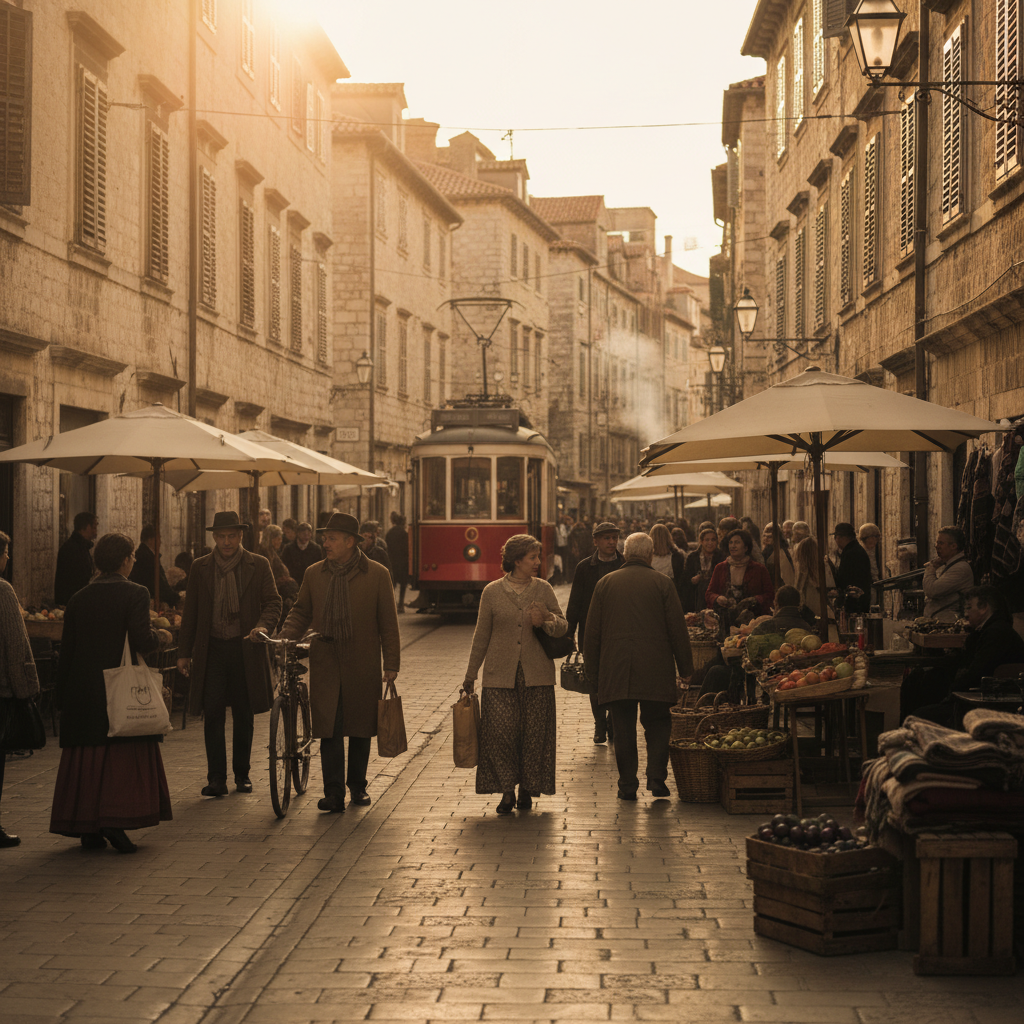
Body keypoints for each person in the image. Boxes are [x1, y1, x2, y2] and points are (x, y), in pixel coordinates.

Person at [49, 532, 173, 853]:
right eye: (132, 556)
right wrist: (162, 637)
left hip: (83, 690)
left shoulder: (78, 598)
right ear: (125, 560)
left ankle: (88, 828)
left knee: (88, 759)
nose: (133, 561)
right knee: (120, 757)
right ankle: (114, 820)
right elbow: (142, 640)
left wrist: (61, 698)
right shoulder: (136, 593)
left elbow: (68, 651)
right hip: (120, 689)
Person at [279, 512, 400, 813]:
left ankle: (357, 786)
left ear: (350, 542)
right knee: (328, 727)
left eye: (331, 538)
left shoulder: (377, 574)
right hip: (326, 660)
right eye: (325, 538)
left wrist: (391, 664)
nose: (325, 543)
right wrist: (285, 637)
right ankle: (333, 792)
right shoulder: (314, 573)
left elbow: (388, 622)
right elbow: (301, 611)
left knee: (361, 727)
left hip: (362, 659)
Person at [176, 511, 282, 797]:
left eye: (231, 536)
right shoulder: (200, 567)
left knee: (243, 712)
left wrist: (263, 626)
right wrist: (184, 652)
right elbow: (191, 612)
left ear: (241, 536)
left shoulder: (258, 564)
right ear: (214, 537)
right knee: (212, 712)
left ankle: (242, 774)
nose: (226, 542)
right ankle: (216, 778)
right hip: (212, 649)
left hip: (244, 647)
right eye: (221, 536)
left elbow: (273, 602)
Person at [463, 535, 567, 815]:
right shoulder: (492, 592)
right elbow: (481, 636)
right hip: (499, 676)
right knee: (500, 735)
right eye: (533, 557)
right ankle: (507, 790)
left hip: (537, 676)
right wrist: (471, 674)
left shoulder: (543, 588)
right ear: (517, 560)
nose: (537, 562)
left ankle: (527, 790)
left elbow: (563, 626)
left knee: (534, 736)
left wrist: (546, 619)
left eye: (537, 557)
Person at [584, 531, 693, 801]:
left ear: (626, 553)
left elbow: (592, 633)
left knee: (622, 728)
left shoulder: (605, 583)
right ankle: (656, 778)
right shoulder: (663, 583)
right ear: (650, 555)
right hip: (655, 667)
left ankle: (627, 785)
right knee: (658, 723)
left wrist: (593, 673)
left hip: (616, 667)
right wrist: (686, 668)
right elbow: (678, 630)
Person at [903, 586, 1024, 725]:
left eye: (969, 608)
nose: (966, 614)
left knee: (919, 715)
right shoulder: (989, 630)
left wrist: (951, 691)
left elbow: (976, 672)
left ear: (984, 608)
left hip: (984, 703)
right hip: (978, 695)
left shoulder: (996, 633)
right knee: (918, 680)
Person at [565, 522, 624, 744]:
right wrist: (569, 633)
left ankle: (612, 721)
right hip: (591, 632)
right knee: (594, 679)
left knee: (616, 679)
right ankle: (600, 723)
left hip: (618, 631)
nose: (611, 542)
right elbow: (575, 602)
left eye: (614, 538)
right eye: (607, 538)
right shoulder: (584, 567)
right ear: (596, 541)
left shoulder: (624, 564)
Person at [0, 531, 39, 848]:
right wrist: (27, 689)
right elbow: (16, 645)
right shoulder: (3, 591)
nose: (8, 558)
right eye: (6, 553)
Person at [705, 529, 775, 624]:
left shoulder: (759, 569)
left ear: (746, 547)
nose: (733, 546)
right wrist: (717, 598)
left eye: (737, 542)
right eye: (731, 542)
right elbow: (709, 593)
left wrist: (755, 599)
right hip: (725, 620)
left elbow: (770, 594)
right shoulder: (720, 568)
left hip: (753, 621)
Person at [922, 525, 974, 622]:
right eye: (937, 543)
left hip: (950, 623)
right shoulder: (950, 565)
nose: (937, 546)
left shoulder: (960, 568)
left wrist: (931, 568)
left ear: (954, 546)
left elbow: (932, 590)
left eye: (941, 543)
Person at [128, 525, 179, 608]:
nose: (160, 542)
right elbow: (159, 584)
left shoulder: (143, 554)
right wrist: (176, 598)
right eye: (159, 538)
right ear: (151, 540)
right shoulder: (147, 558)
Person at [54, 511, 98, 606]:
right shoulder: (72, 549)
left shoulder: (81, 547)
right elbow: (78, 580)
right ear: (86, 527)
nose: (96, 531)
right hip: (74, 603)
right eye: (94, 527)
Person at [832, 522, 872, 614]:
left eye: (835, 537)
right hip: (859, 599)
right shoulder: (854, 549)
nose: (835, 541)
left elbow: (844, 578)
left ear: (841, 538)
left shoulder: (850, 553)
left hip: (854, 602)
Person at [682, 527, 725, 612]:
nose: (710, 543)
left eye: (713, 540)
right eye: (707, 540)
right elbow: (685, 579)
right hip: (695, 599)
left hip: (715, 598)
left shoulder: (721, 557)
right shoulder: (692, 557)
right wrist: (692, 580)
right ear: (701, 541)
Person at [649, 523, 687, 605]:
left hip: (652, 592)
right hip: (672, 593)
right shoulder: (677, 555)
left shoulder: (647, 556)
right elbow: (681, 578)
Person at [385, 512, 410, 612]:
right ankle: (401, 605)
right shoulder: (404, 533)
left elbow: (387, 547)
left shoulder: (389, 533)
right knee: (403, 585)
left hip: (392, 561)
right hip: (403, 562)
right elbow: (407, 548)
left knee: (392, 584)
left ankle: (391, 604)